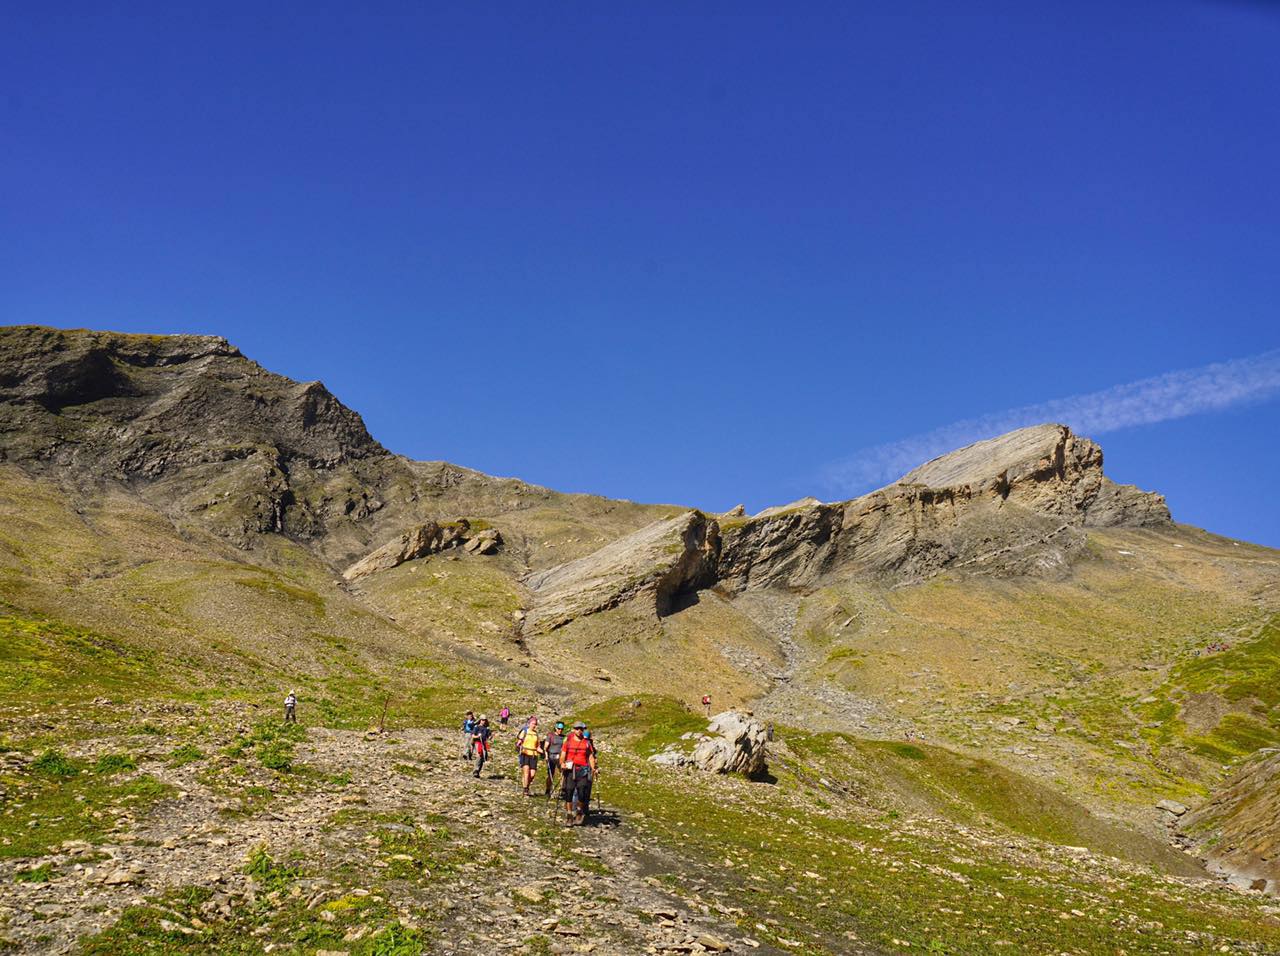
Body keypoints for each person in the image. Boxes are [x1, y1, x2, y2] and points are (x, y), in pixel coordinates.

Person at [559, 721, 597, 826]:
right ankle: (569, 815)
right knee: (569, 792)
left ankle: (579, 811)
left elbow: (590, 756)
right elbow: (563, 754)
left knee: (582, 791)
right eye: (577, 728)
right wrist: (562, 763)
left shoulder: (586, 743)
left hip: (583, 770)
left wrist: (594, 768)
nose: (579, 730)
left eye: (581, 729)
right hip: (570, 770)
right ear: (573, 729)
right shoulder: (568, 742)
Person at [515, 716, 544, 795]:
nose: (534, 725)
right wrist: (518, 745)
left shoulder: (536, 734)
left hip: (534, 755)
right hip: (525, 753)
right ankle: (525, 789)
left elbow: (537, 747)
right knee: (526, 772)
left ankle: (527, 785)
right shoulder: (525, 731)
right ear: (529, 723)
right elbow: (519, 741)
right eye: (533, 724)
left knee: (532, 774)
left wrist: (543, 752)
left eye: (535, 724)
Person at [543, 721, 566, 798]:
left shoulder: (564, 737)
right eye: (559, 728)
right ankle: (547, 790)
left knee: (563, 773)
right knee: (550, 774)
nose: (560, 730)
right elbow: (545, 747)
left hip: (560, 757)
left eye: (562, 729)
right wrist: (546, 755)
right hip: (551, 756)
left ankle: (562, 789)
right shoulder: (550, 735)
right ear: (555, 728)